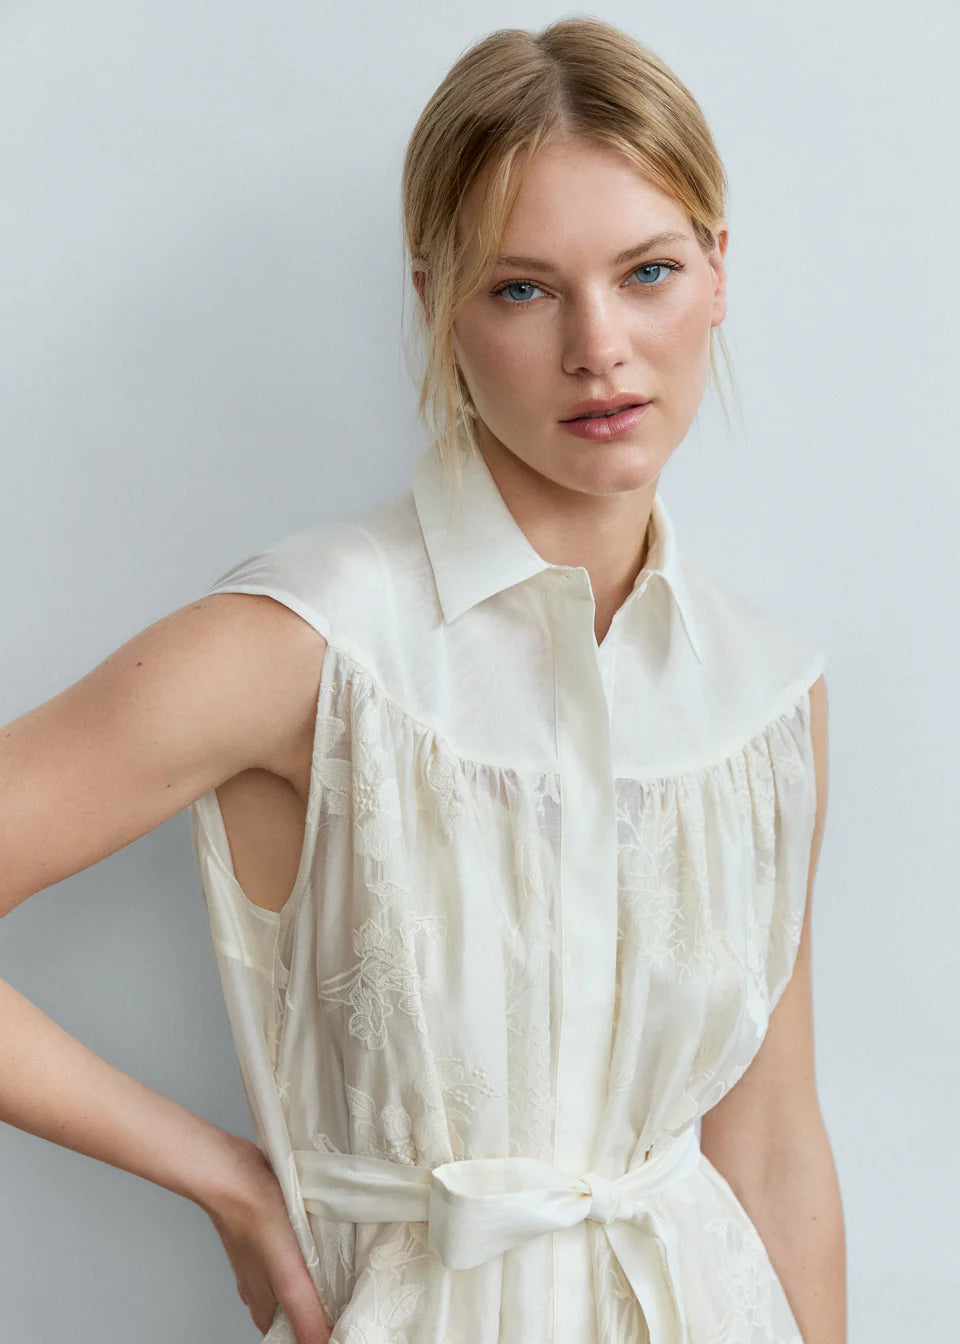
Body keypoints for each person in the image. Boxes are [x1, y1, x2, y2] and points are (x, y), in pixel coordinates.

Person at [0, 16, 846, 1344]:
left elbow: (776, 1146)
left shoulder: (766, 694)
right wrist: (218, 1173)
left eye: (648, 272)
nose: (599, 347)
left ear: (719, 271)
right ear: (438, 303)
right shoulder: (312, 640)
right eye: (523, 288)